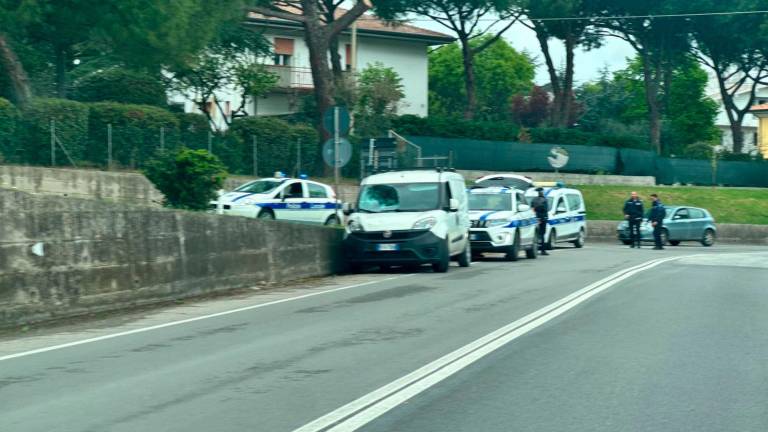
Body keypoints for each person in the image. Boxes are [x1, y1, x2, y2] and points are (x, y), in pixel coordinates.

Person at [531, 187, 549, 256]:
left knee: (535, 233)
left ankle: (535, 249)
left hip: (535, 218)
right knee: (542, 234)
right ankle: (543, 250)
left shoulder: (533, 200)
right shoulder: (544, 200)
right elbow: (545, 210)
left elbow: (532, 209)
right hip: (542, 218)